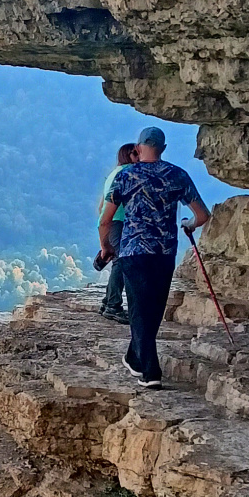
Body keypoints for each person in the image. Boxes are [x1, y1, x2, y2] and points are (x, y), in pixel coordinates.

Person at [98, 126, 210, 389]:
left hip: (133, 251)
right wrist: (189, 224)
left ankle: (151, 371)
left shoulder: (126, 177)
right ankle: (135, 358)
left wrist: (105, 247)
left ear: (138, 148)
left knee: (138, 308)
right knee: (153, 309)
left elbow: (106, 220)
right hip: (164, 252)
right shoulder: (177, 176)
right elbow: (202, 215)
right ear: (164, 149)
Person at [96, 144, 134, 322]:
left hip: (111, 221)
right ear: (130, 155)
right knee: (122, 261)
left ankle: (108, 302)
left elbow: (102, 205)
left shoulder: (114, 172)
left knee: (119, 260)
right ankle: (113, 305)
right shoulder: (129, 172)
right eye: (137, 153)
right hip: (119, 220)